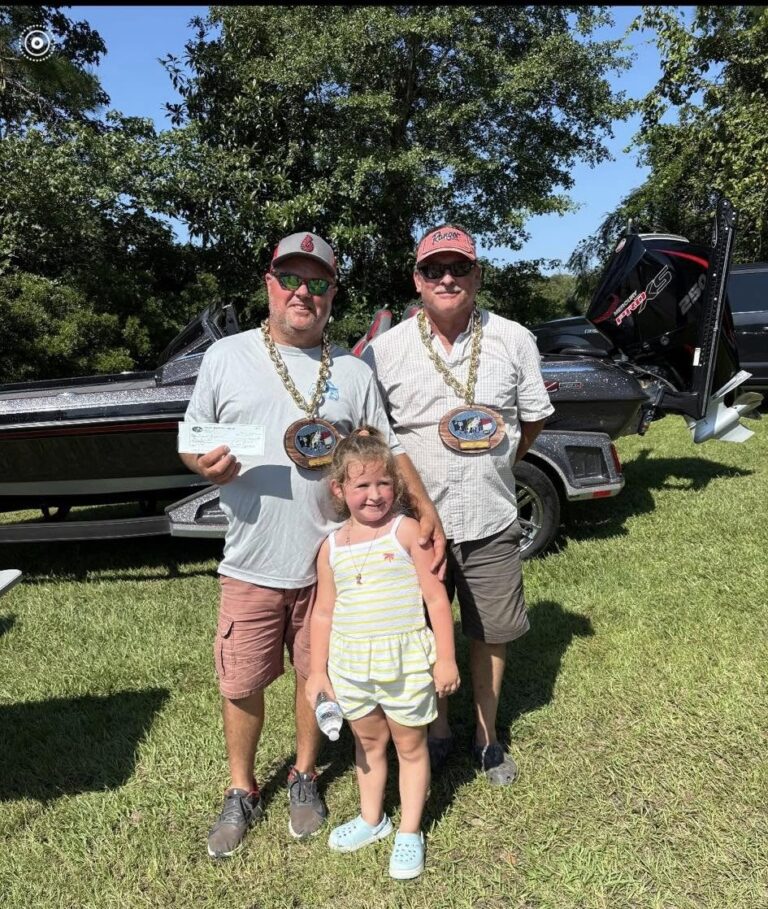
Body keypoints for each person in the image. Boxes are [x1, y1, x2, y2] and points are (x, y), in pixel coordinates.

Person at [180, 231, 443, 858]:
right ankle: (241, 787)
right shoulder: (227, 358)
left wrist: (424, 506)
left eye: (319, 283)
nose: (305, 292)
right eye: (292, 279)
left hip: (335, 563)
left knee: (314, 675)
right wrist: (203, 464)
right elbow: (191, 437)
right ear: (270, 285)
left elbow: (388, 449)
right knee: (241, 680)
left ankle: (302, 775)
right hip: (251, 558)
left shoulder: (352, 370)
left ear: (332, 294)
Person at [362, 223, 555, 785]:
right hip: (417, 525)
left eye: (459, 267)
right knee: (423, 629)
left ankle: (488, 736)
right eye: (433, 269)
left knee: (490, 632)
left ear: (477, 275)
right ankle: (438, 728)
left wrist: (498, 463)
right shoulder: (385, 349)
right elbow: (376, 439)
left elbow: (535, 416)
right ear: (416, 280)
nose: (447, 278)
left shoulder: (514, 338)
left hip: (493, 518)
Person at [305, 428, 460, 880]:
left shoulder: (406, 531)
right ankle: (373, 819)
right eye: (361, 485)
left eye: (383, 484)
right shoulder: (330, 547)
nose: (374, 495)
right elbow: (323, 614)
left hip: (405, 661)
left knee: (411, 747)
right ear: (340, 490)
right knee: (368, 744)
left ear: (396, 484)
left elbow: (436, 600)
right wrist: (318, 672)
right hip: (352, 666)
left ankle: (409, 830)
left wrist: (445, 658)